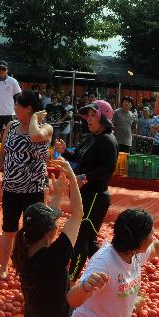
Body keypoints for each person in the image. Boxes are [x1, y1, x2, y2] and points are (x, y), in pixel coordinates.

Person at [12, 158, 95, 317]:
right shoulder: (55, 256)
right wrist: (72, 177)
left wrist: (58, 194)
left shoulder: (22, 249)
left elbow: (52, 217)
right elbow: (78, 214)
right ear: (51, 232)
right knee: (92, 299)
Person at [0, 90, 54, 278]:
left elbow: (35, 137)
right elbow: (2, 152)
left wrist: (34, 119)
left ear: (29, 109)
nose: (15, 108)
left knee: (36, 231)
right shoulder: (11, 125)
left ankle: (34, 268)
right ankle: (4, 267)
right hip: (11, 188)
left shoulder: (45, 128)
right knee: (9, 229)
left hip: (34, 189)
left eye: (18, 105)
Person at [68, 100, 118, 281]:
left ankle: (71, 280)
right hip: (87, 195)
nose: (88, 119)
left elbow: (107, 168)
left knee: (81, 240)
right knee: (89, 243)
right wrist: (64, 152)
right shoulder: (93, 138)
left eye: (92, 116)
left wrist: (84, 177)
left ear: (102, 118)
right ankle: (113, 274)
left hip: (95, 197)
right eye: (87, 116)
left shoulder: (107, 140)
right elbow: (79, 156)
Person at [0, 61, 22, 139]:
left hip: (10, 113)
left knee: (11, 134)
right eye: (0, 69)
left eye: (3, 69)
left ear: (7, 70)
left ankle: (9, 150)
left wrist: (17, 106)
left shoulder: (13, 81)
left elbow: (19, 95)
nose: (1, 71)